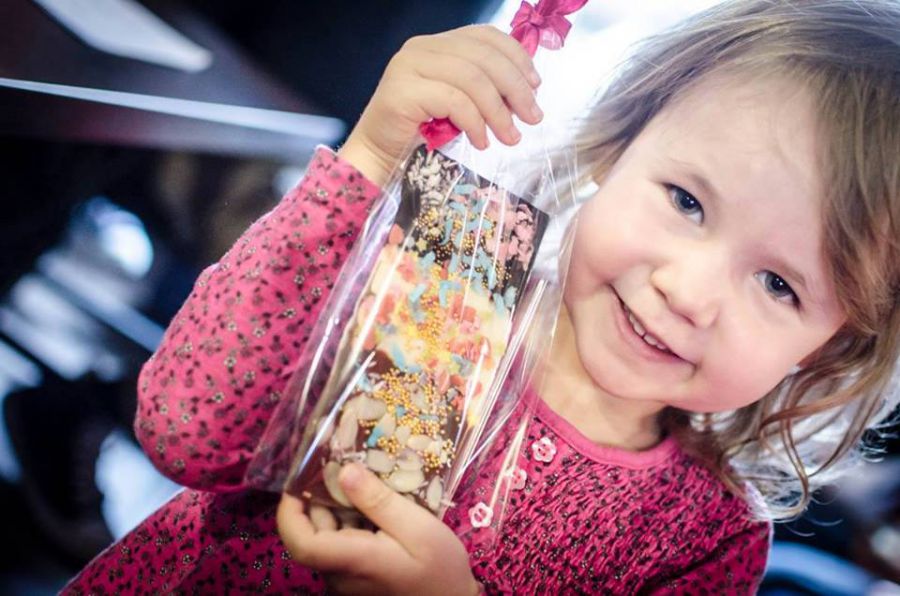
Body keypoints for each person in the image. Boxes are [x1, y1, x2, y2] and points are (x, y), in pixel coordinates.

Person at [64, 0, 900, 593]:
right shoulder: (447, 278)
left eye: (779, 284)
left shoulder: (706, 543)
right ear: (614, 152)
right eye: (685, 201)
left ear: (833, 349)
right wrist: (369, 158)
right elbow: (184, 429)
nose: (687, 292)